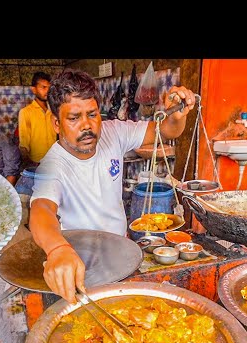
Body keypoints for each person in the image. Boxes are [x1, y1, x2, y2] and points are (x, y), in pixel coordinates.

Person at [28, 69, 196, 304]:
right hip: (81, 265)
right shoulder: (53, 165)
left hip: (121, 253)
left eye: (92, 114)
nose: (86, 125)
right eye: (74, 118)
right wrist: (57, 250)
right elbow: (41, 210)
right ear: (56, 123)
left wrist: (177, 114)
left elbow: (167, 130)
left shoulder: (114, 132)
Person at [18, 71, 57, 165]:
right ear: (34, 89)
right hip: (36, 163)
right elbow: (24, 144)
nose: (47, 91)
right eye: (43, 87)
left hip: (55, 161)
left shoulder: (54, 111)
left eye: (49, 87)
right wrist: (29, 164)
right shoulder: (25, 112)